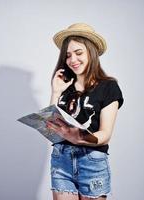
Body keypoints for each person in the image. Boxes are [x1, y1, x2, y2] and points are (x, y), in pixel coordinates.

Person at [46, 23, 124, 200]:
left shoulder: (108, 87)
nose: (72, 60)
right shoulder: (64, 86)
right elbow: (51, 128)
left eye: (79, 53)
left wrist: (79, 137)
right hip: (61, 160)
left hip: (91, 161)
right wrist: (55, 92)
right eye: (68, 55)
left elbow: (105, 134)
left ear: (91, 52)